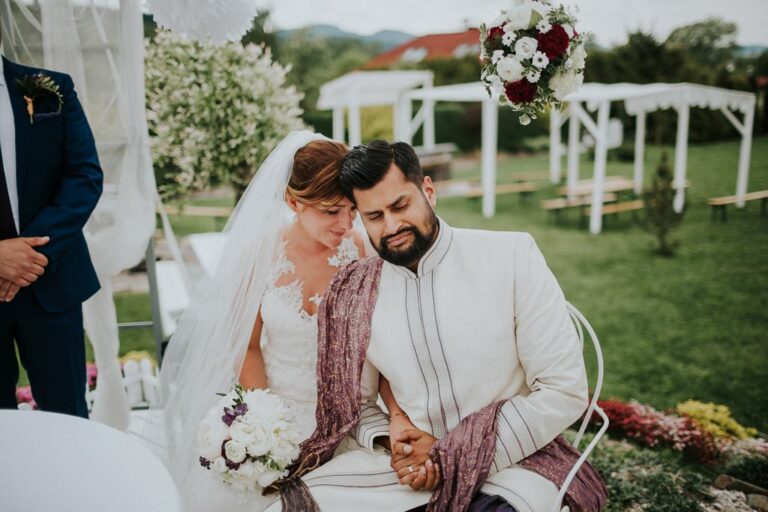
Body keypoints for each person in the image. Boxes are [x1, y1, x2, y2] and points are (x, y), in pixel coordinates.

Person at [267, 140, 607, 512]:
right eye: (375, 216)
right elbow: (356, 404)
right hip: (401, 476)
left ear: (428, 190)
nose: (392, 225)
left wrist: (450, 455)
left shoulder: (510, 257)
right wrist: (393, 440)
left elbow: (564, 389)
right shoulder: (357, 290)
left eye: (400, 205)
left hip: (515, 460)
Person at [157, 131, 406, 512]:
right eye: (330, 211)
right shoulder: (259, 256)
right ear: (293, 201)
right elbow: (248, 346)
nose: (345, 224)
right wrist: (265, 430)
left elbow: (388, 343)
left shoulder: (361, 249)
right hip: (279, 417)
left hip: (352, 423)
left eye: (351, 210)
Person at [0, 54, 103, 418]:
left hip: (52, 282)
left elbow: (84, 175)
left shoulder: (51, 88)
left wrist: (30, 256)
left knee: (69, 418)